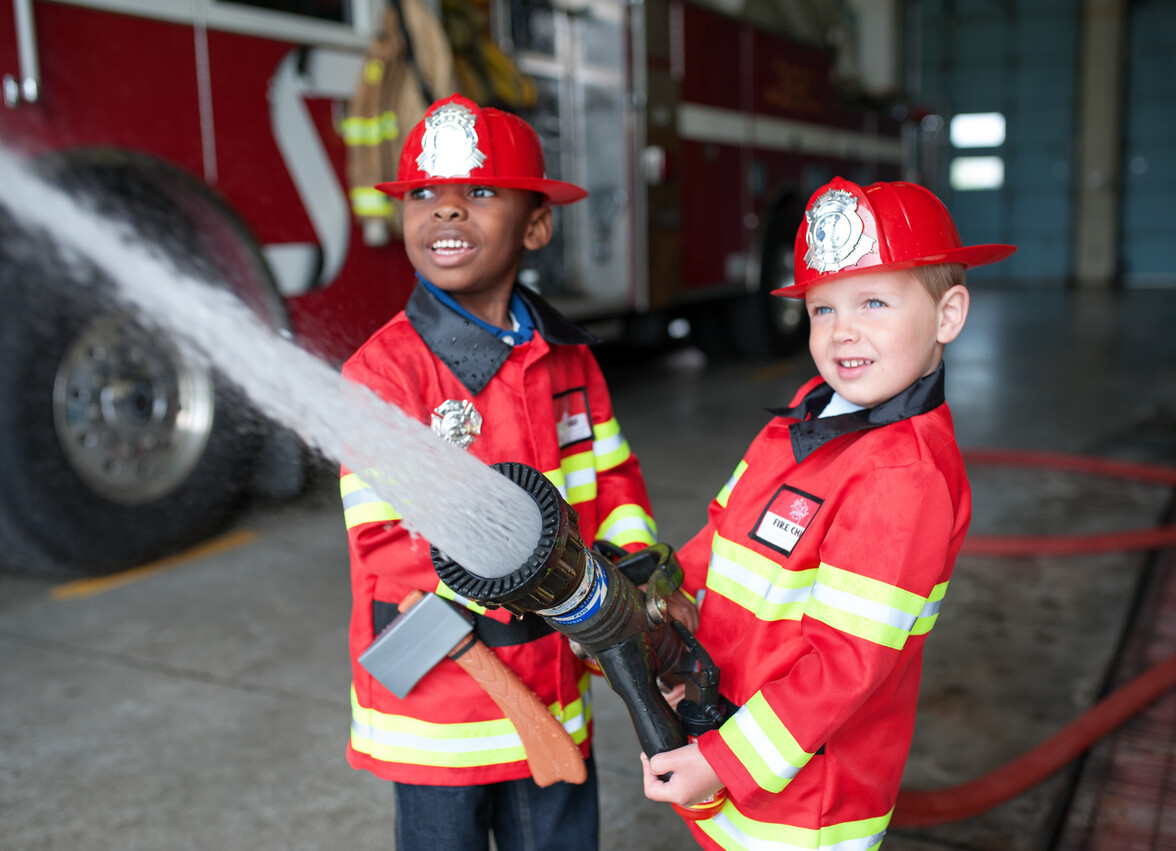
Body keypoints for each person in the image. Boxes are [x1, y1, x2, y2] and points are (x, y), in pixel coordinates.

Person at [640, 178, 1016, 850]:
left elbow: (844, 664)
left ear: (947, 315)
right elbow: (717, 542)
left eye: (873, 301)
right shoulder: (802, 419)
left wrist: (721, 761)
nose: (843, 331)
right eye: (821, 310)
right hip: (729, 743)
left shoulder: (901, 479)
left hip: (801, 804)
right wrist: (653, 598)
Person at [339, 93, 658, 851]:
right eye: (424, 195)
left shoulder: (567, 357)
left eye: (478, 193)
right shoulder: (381, 375)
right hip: (445, 710)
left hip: (556, 685)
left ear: (537, 224)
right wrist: (546, 585)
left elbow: (611, 477)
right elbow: (386, 542)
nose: (445, 214)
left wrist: (630, 572)